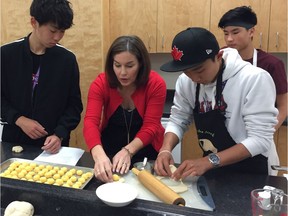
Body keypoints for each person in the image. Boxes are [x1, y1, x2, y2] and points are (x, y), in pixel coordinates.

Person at [154, 27, 279, 180]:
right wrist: (165, 150)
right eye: (187, 71)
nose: (194, 78)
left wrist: (209, 161)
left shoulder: (254, 79)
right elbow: (178, 120)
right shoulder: (186, 82)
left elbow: (260, 140)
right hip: (213, 167)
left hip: (252, 169)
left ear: (218, 56)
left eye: (199, 70)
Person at [1, 0, 83, 154]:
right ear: (34, 22)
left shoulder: (67, 60)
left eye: (62, 31)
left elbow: (74, 106)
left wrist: (60, 134)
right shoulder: (6, 55)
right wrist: (19, 119)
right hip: (12, 141)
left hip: (53, 145)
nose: (58, 37)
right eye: (53, 31)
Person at [83, 35, 166, 182]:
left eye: (129, 66)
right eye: (117, 65)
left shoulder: (155, 84)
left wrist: (128, 150)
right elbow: (90, 122)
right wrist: (99, 155)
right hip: (110, 148)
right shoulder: (101, 83)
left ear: (141, 64)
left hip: (145, 150)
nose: (122, 72)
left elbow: (151, 126)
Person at [218, 6, 288, 130]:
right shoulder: (220, 57)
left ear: (251, 32)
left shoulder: (271, 64)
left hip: (256, 130)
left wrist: (264, 135)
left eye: (235, 32)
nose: (229, 39)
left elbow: (283, 106)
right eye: (225, 33)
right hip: (224, 129)